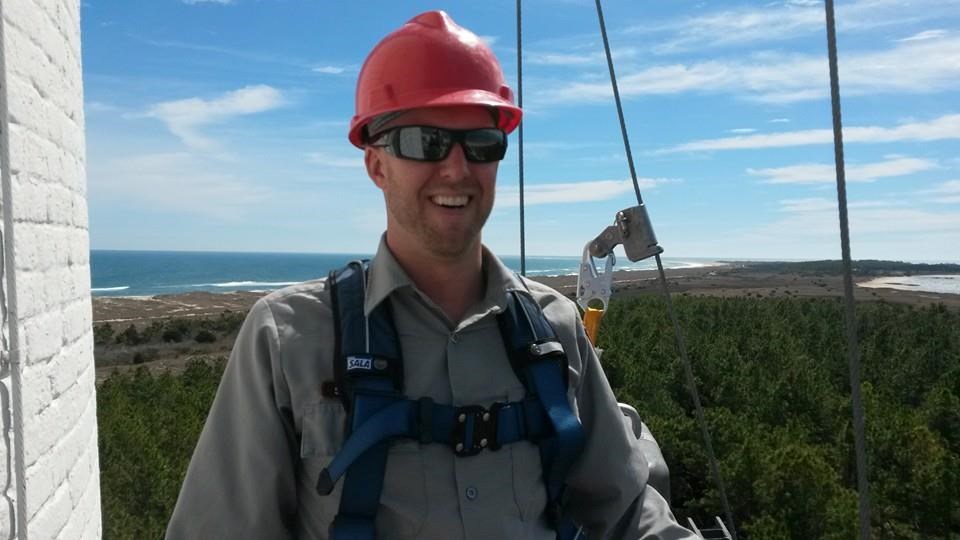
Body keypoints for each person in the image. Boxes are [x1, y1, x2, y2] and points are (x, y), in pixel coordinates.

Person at [167, 10, 695, 540]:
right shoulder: (287, 339)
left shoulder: (553, 330)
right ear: (376, 165)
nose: (458, 169)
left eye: (482, 144)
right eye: (426, 141)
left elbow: (627, 512)